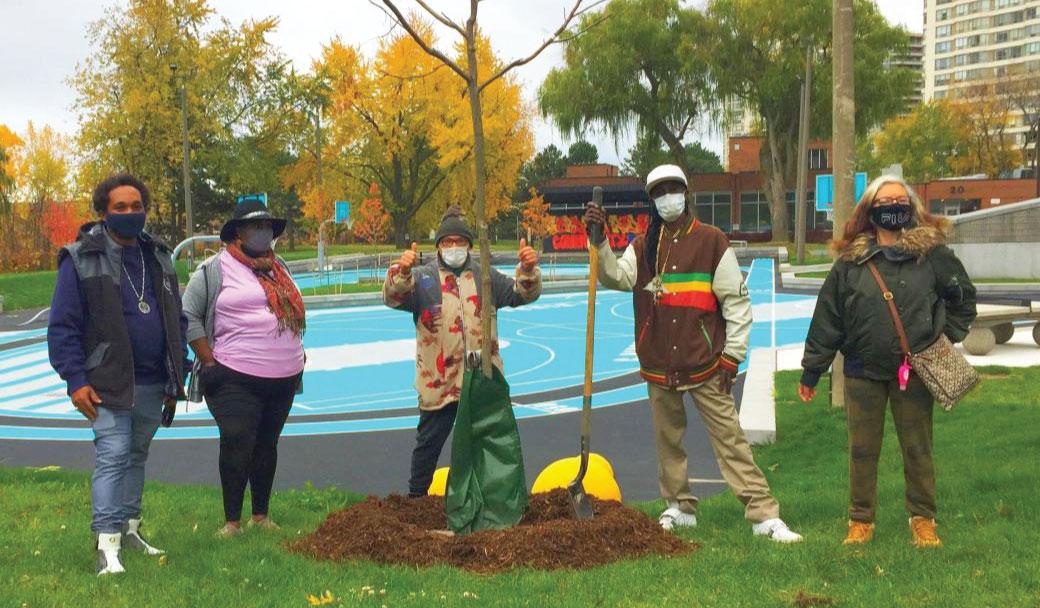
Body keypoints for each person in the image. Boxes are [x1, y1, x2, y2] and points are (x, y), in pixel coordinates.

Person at [584, 164, 802, 542]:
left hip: (705, 363)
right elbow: (616, 277)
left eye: (673, 188)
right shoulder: (643, 246)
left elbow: (735, 302)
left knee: (730, 439)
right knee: (668, 442)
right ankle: (679, 506)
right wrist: (600, 240)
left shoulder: (712, 241)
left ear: (685, 193)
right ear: (652, 200)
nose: (667, 197)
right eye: (658, 191)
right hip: (658, 364)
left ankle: (763, 514)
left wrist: (732, 355)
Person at [799, 175, 976, 548]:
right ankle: (860, 521)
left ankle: (923, 519)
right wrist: (813, 369)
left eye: (900, 199)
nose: (893, 206)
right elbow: (828, 316)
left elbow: (963, 299)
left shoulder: (933, 255)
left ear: (911, 207)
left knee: (918, 448)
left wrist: (944, 339)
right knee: (862, 450)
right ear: (870, 210)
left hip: (914, 373)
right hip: (863, 372)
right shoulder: (851, 261)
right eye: (885, 201)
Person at [48, 173, 189, 576]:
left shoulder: (159, 256)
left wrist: (176, 373)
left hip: (151, 380)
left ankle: (129, 529)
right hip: (106, 380)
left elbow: (175, 319)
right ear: (103, 212)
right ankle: (106, 544)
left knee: (136, 455)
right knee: (112, 456)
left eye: (137, 206)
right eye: (120, 207)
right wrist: (75, 379)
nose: (131, 214)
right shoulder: (79, 258)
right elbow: (63, 327)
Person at [384, 206, 541, 497]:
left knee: (488, 441)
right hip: (439, 380)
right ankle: (416, 500)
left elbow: (521, 294)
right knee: (429, 443)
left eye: (459, 241)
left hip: (481, 378)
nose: (453, 247)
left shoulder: (485, 277)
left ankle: (492, 498)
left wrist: (528, 271)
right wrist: (401, 273)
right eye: (447, 242)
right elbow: (393, 297)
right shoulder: (422, 279)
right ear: (439, 246)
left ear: (469, 244)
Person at [181, 198, 305, 538]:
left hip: (283, 376)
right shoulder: (213, 271)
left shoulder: (280, 268)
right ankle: (231, 522)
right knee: (237, 440)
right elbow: (188, 315)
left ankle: (261, 516)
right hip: (233, 375)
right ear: (237, 233)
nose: (263, 233)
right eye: (255, 227)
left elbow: (293, 312)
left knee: (267, 443)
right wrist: (207, 359)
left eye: (267, 227)